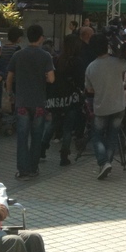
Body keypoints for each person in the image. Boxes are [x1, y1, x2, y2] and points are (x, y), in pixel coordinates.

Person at [5, 25, 55, 179]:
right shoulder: (46, 56)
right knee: (36, 136)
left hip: (22, 101)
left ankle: (23, 170)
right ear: (41, 38)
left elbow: (9, 77)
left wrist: (10, 94)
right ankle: (34, 168)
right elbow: (51, 79)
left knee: (22, 136)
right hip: (38, 101)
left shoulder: (18, 55)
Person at [83, 34, 126, 179]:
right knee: (113, 136)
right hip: (119, 105)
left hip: (101, 107)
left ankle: (103, 162)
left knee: (97, 135)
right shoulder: (118, 62)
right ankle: (107, 162)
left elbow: (89, 89)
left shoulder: (91, 67)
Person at [41, 35, 85, 167]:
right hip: (71, 98)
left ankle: (42, 148)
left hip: (56, 98)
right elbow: (81, 81)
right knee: (67, 128)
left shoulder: (56, 59)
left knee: (53, 123)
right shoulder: (77, 62)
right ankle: (64, 156)